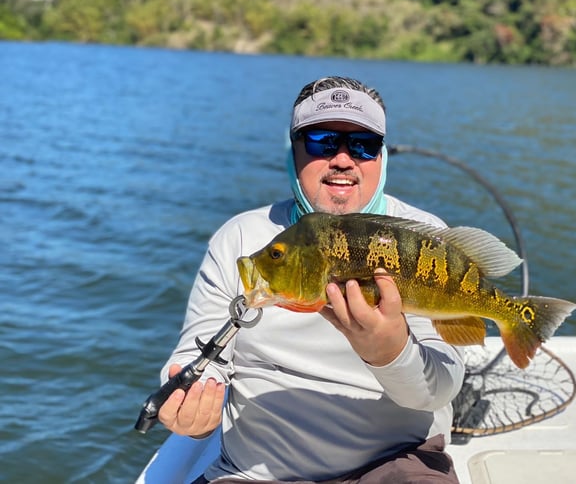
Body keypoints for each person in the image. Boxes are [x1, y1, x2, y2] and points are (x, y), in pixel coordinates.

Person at [157, 76, 465, 483]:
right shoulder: (242, 239)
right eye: (321, 141)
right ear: (293, 152)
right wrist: (193, 407)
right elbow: (198, 357)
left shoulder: (423, 239)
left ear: (382, 157)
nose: (342, 159)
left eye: (363, 145)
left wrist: (390, 352)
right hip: (258, 472)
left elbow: (440, 390)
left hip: (397, 463)